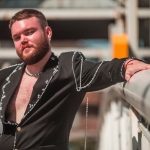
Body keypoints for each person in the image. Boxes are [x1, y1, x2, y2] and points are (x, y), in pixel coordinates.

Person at [0, 9, 149, 150]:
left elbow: (103, 70)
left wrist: (125, 65)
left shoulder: (68, 67)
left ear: (48, 32)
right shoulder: (5, 76)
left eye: (29, 32)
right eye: (17, 37)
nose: (23, 40)